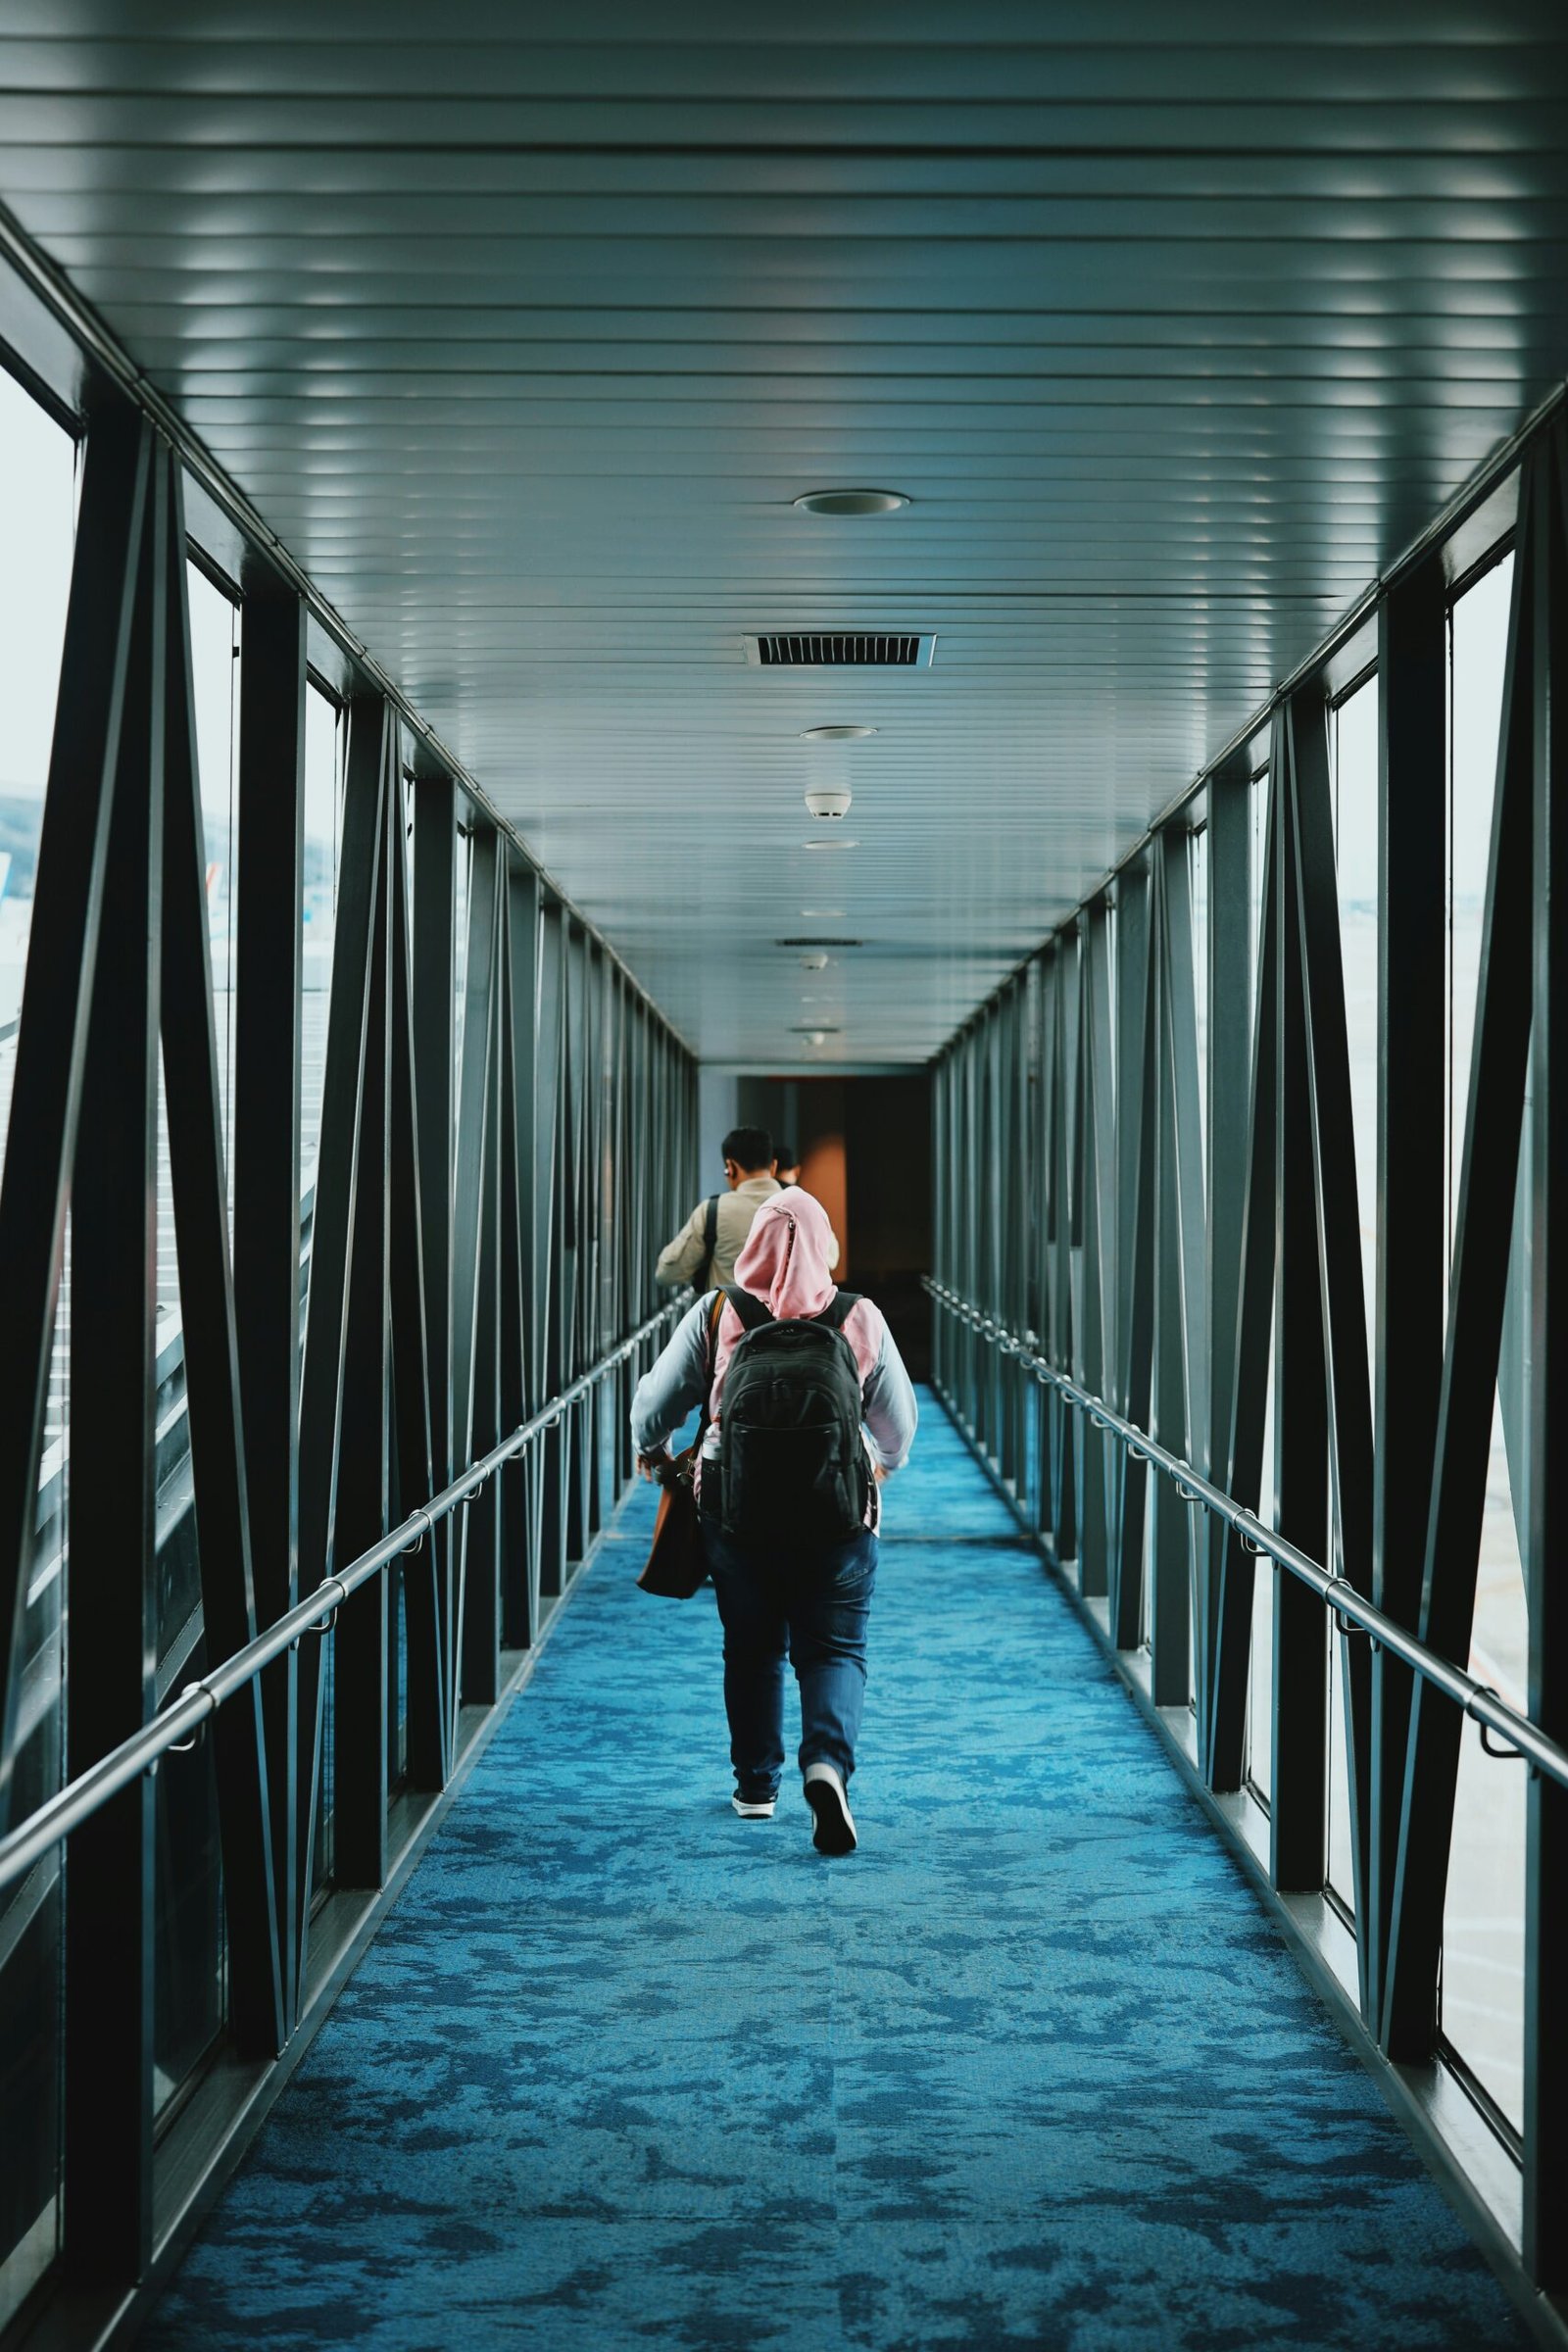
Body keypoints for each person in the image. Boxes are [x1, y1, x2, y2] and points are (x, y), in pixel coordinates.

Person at [632, 1188, 917, 1854]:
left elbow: (653, 1405)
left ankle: (756, 1788)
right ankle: (826, 1765)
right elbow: (899, 1428)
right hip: (840, 1519)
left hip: (736, 1516)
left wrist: (654, 1453)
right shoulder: (860, 1316)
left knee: (752, 1646)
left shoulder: (718, 1311)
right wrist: (878, 1466)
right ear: (825, 1246)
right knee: (836, 1648)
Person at [655, 1126, 779, 1292]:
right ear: (773, 1166)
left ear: (731, 1166)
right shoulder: (805, 1209)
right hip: (789, 1318)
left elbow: (666, 1273)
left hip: (728, 1316)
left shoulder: (714, 1211)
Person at [771, 1143, 841, 1268]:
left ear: (771, 1168)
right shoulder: (809, 1203)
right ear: (797, 1171)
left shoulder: (765, 1203)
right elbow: (831, 1258)